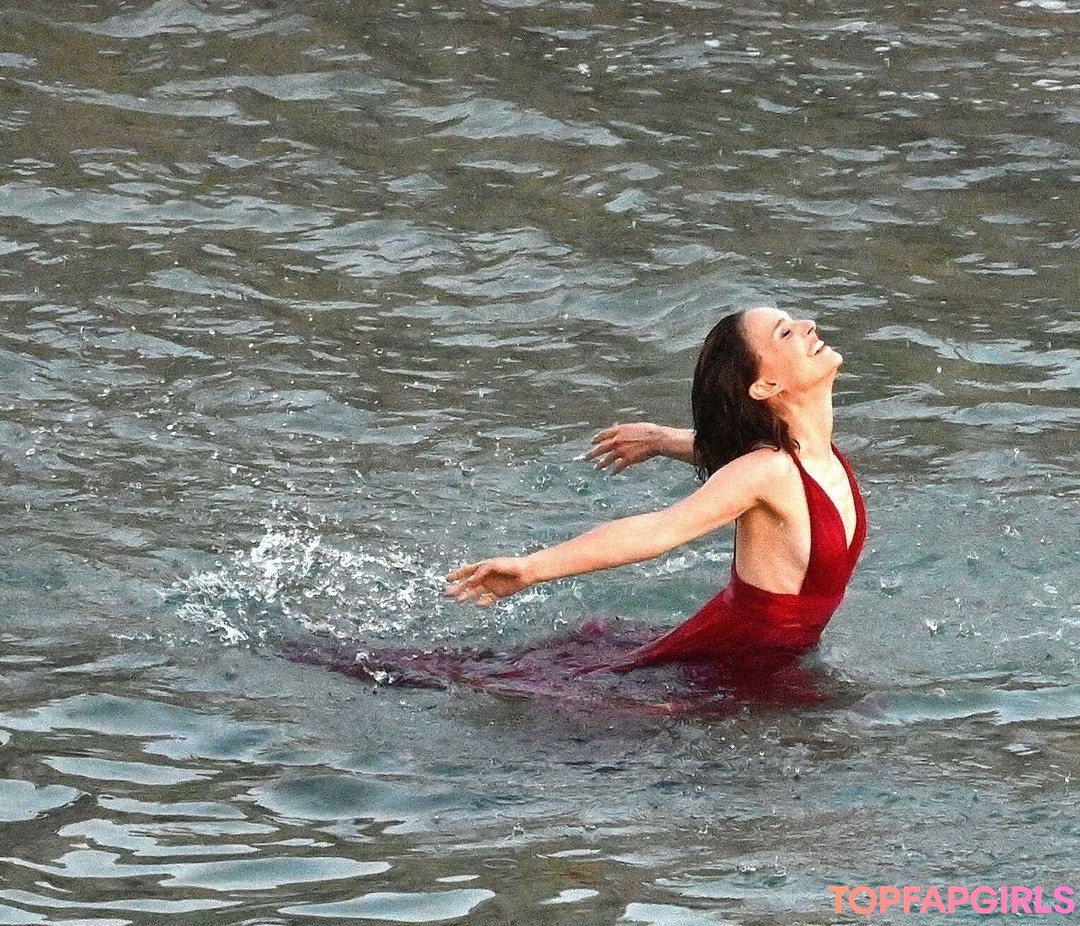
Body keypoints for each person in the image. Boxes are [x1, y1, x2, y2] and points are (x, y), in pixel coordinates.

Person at [446, 305, 867, 680]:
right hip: (733, 663)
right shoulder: (769, 471)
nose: (808, 325)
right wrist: (531, 568)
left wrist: (659, 439)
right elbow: (659, 530)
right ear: (765, 386)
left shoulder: (813, 453)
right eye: (785, 332)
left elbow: (731, 451)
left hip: (770, 658)